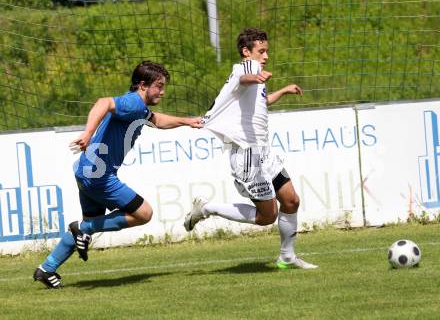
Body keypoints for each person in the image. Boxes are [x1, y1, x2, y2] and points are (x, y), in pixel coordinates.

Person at [33, 61, 203, 288]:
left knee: (91, 223)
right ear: (143, 85)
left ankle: (47, 268)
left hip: (86, 171)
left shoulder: (139, 108)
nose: (162, 91)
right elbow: (104, 102)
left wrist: (187, 121)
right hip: (98, 175)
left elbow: (157, 120)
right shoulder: (133, 102)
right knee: (144, 213)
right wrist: (87, 134)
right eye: (159, 86)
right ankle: (83, 230)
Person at [184, 27, 318, 270]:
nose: (266, 56)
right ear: (247, 52)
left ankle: (287, 257)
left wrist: (284, 90)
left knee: (291, 201)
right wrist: (254, 76)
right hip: (248, 155)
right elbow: (244, 78)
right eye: (261, 51)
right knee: (267, 216)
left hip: (265, 152)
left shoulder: (255, 76)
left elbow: (260, 101)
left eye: (267, 51)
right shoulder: (246, 67)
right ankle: (206, 208)